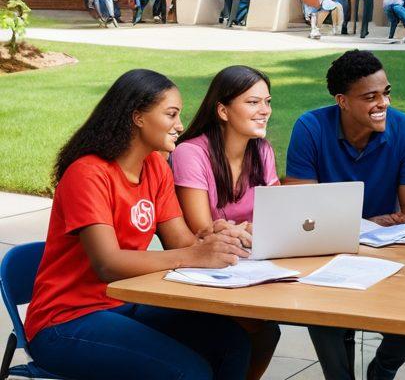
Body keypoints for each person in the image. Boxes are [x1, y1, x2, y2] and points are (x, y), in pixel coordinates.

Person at [24, 68, 251, 380]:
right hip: (66, 321)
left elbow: (179, 243)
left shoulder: (155, 166)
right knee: (188, 372)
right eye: (170, 115)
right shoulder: (88, 174)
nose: (180, 126)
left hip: (124, 303)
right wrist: (195, 255)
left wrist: (212, 237)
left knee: (232, 342)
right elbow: (108, 264)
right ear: (138, 117)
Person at [284, 50, 405, 380]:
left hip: (389, 247)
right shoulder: (310, 127)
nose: (383, 103)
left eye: (386, 92)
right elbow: (300, 210)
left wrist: (366, 227)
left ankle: (384, 368)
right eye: (370, 97)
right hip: (326, 250)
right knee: (317, 301)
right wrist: (364, 224)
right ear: (342, 101)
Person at [173, 66, 281, 380]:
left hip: (248, 263)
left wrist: (243, 230)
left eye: (267, 101)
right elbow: (202, 231)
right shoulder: (190, 153)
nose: (265, 111)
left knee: (266, 331)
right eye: (253, 103)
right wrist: (250, 229)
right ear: (222, 110)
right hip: (206, 271)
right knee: (259, 329)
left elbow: (277, 216)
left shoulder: (261, 150)